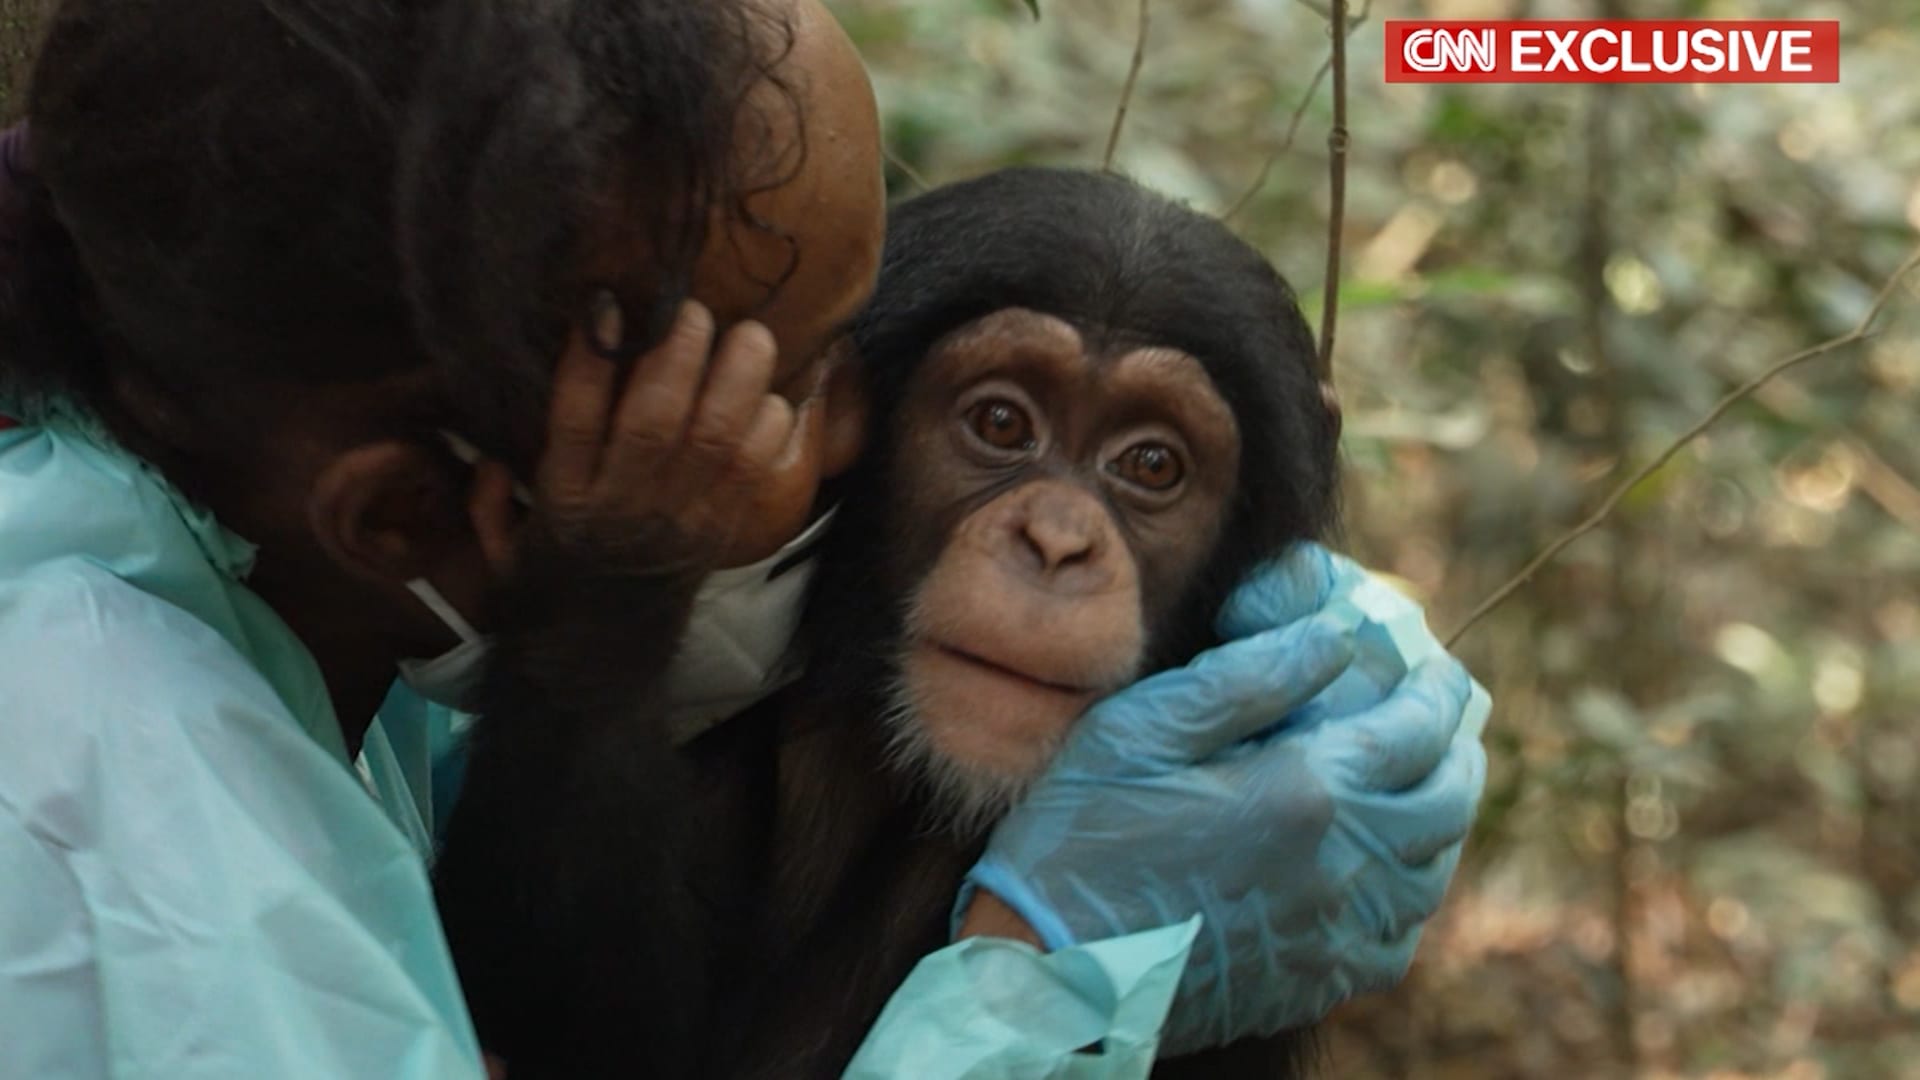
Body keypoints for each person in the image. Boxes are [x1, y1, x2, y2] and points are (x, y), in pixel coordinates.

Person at [0, 2, 1487, 1079]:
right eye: (790, 383)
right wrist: (1045, 996)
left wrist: (1335, 660)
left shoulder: (280, 606)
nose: (1056, 535)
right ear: (408, 511)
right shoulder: (138, 858)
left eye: (1156, 467)